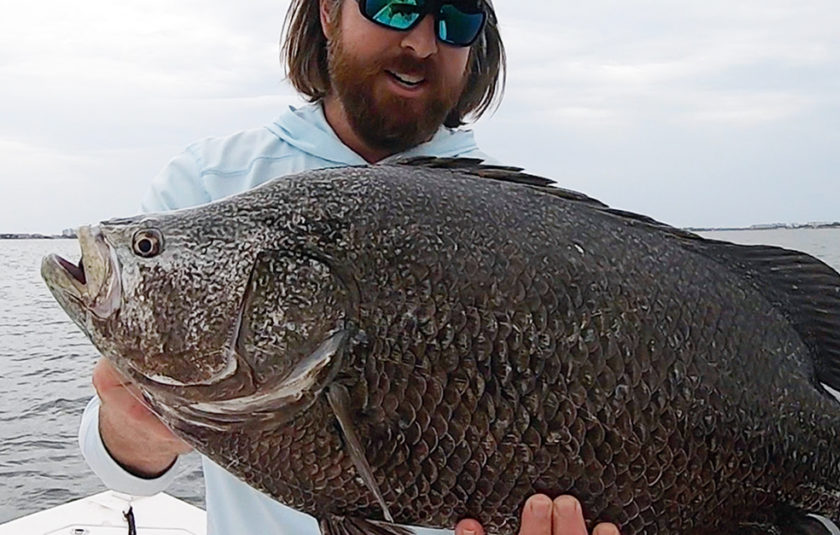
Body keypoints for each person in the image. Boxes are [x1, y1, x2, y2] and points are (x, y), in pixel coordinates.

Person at [78, 1, 620, 534]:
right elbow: (123, 471)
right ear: (328, 12)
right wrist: (137, 433)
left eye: (457, 18)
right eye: (394, 6)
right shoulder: (209, 185)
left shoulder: (532, 232)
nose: (421, 42)